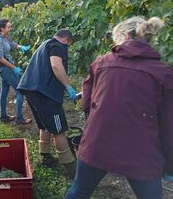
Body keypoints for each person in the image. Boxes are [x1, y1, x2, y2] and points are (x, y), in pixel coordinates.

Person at [65, 17, 173, 199]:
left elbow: (86, 103)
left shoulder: (100, 64)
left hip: (97, 144)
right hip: (140, 152)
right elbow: (169, 126)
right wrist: (169, 164)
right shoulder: (163, 73)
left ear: (123, 36)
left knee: (79, 192)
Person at [17, 29, 77, 177]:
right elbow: (56, 65)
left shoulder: (45, 44)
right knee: (59, 130)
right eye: (68, 45)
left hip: (31, 91)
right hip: (46, 94)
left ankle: (46, 157)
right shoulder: (58, 46)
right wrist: (68, 86)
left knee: (44, 125)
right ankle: (70, 167)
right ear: (67, 40)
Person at [0, 18, 32, 125]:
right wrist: (14, 68)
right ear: (2, 28)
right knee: (20, 90)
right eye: (8, 27)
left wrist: (21, 47)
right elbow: (0, 58)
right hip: (4, 69)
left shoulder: (5, 36)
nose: (10, 29)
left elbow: (12, 44)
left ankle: (4, 116)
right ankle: (19, 118)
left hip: (7, 68)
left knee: (4, 91)